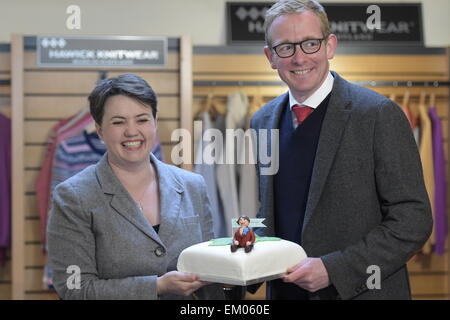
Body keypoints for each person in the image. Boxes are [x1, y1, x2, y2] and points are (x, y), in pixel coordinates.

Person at [250, 0, 432, 300]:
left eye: (310, 43)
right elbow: (270, 211)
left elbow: (413, 219)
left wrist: (335, 269)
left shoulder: (378, 114)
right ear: (270, 56)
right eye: (285, 48)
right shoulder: (261, 120)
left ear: (330, 46)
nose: (299, 58)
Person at [47, 73, 224, 300]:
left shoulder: (192, 185)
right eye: (118, 122)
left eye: (141, 120)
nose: (132, 131)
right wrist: (157, 287)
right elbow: (74, 288)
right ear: (100, 130)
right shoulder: (73, 196)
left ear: (155, 122)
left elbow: (209, 275)